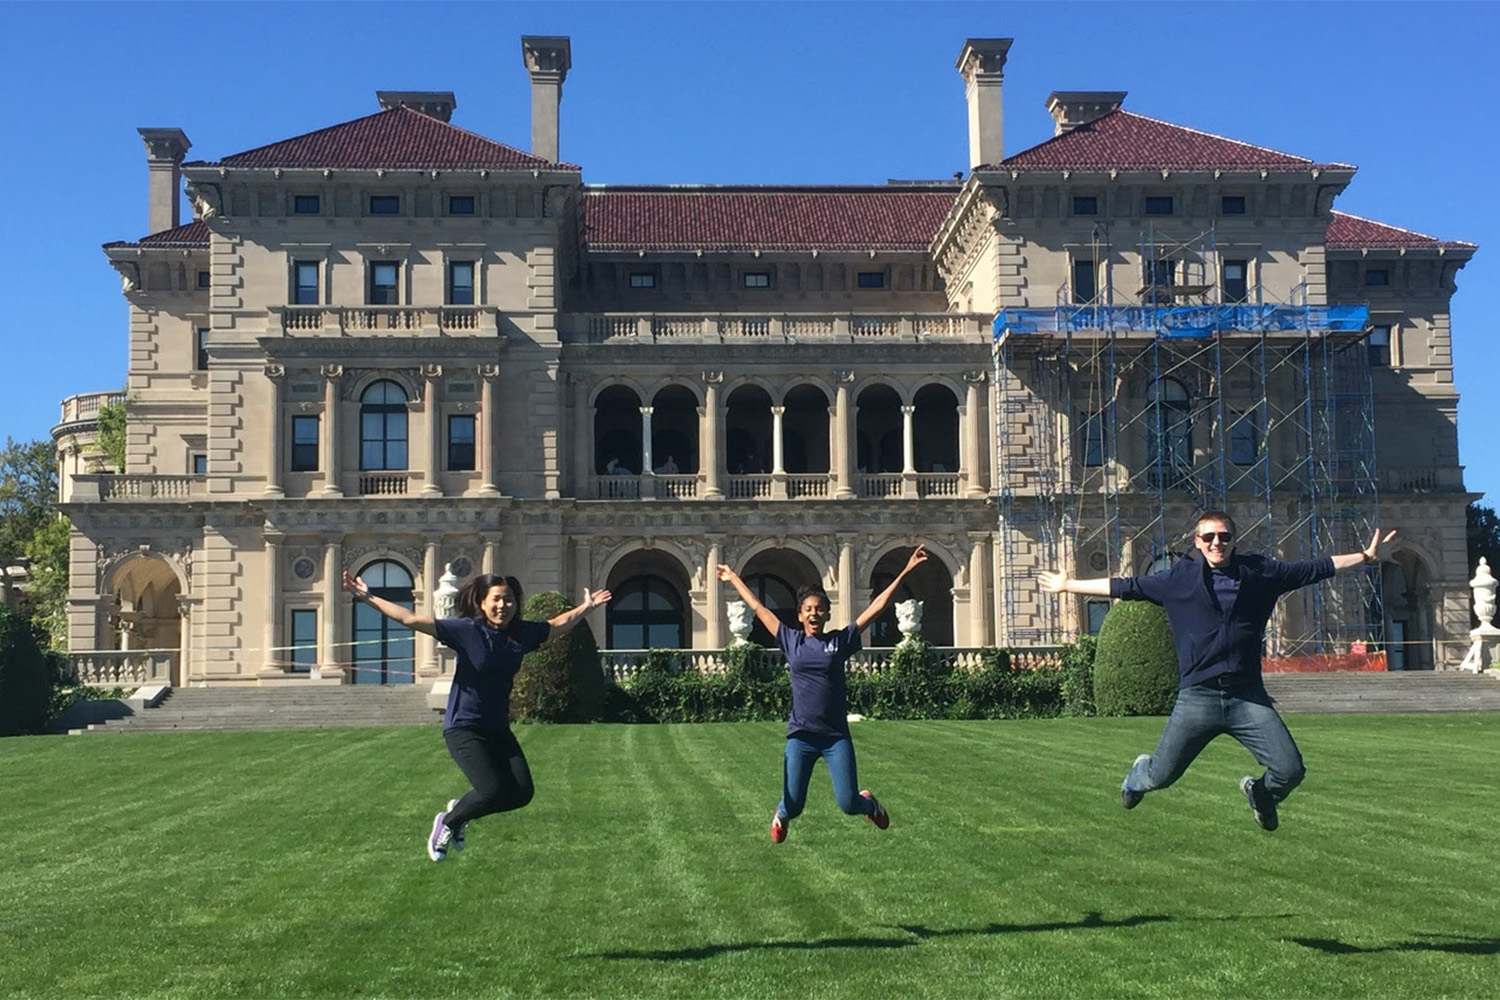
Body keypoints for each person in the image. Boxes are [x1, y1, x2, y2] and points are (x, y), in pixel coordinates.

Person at [1040, 511, 1395, 832]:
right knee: (1160, 776)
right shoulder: (1178, 580)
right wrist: (1068, 585)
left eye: (1223, 537)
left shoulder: (1261, 573)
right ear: (1197, 542)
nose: (1216, 543)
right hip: (1198, 697)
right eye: (1208, 537)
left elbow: (1314, 568)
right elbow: (1125, 586)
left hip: (1247, 697)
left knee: (1290, 770)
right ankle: (1136, 777)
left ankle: (1261, 793)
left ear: (1233, 540)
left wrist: (1364, 557)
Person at [341, 568, 611, 861]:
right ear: (482, 602)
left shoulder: (520, 634)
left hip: (497, 728)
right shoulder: (467, 630)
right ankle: (448, 822)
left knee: (521, 793)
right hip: (464, 727)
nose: (503, 606)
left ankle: (461, 809)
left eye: (509, 600)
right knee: (493, 790)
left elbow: (557, 624)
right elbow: (409, 619)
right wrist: (368, 597)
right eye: (496, 599)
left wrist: (587, 607)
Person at [717, 545, 929, 843]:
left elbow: (877, 608)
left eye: (819, 609)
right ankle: (782, 812)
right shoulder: (790, 640)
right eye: (808, 609)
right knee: (794, 805)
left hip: (834, 737)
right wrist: (734, 578)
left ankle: (871, 804)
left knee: (848, 803)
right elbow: (758, 608)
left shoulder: (839, 641)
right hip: (801, 736)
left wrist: (906, 570)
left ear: (827, 614)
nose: (814, 613)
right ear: (800, 615)